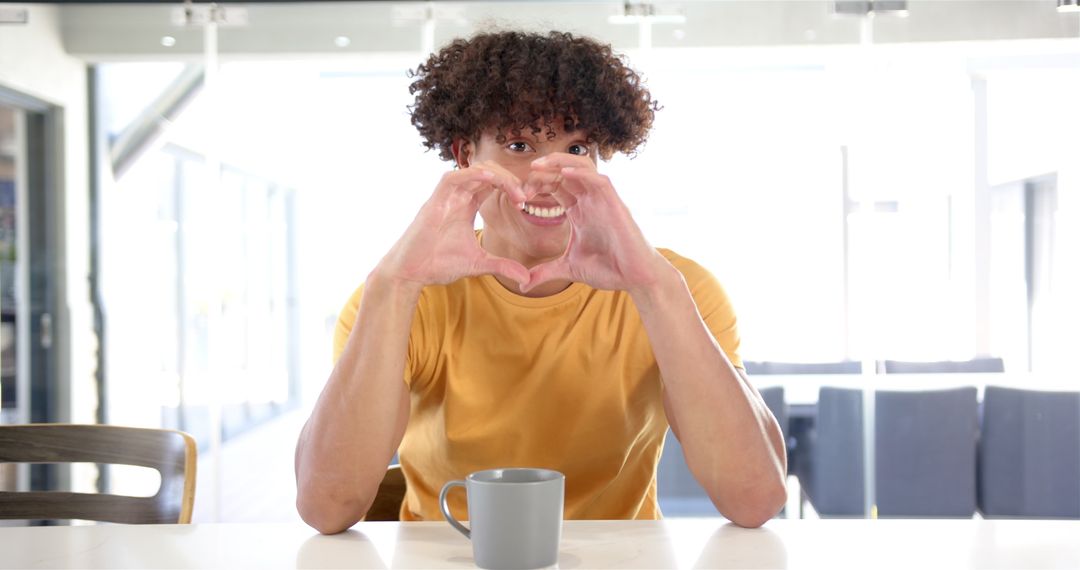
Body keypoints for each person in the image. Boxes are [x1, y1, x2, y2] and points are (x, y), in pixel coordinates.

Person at [295, 30, 787, 534]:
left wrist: (655, 290)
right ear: (465, 156)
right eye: (519, 144)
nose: (548, 173)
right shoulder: (402, 294)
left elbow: (754, 498)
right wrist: (394, 285)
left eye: (576, 146)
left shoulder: (673, 287)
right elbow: (325, 505)